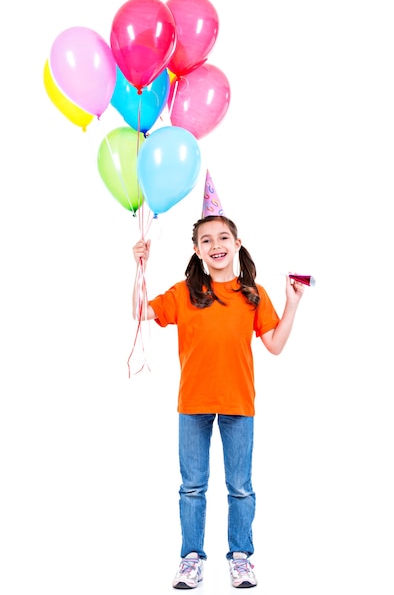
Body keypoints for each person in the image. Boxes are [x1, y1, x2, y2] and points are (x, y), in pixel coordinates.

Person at [132, 215, 306, 589]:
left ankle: (240, 557)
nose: (216, 245)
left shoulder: (252, 294)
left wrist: (292, 304)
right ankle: (191, 558)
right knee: (192, 486)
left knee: (240, 486)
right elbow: (139, 311)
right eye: (206, 240)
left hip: (238, 403)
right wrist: (139, 269)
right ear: (197, 250)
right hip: (193, 403)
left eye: (223, 237)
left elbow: (274, 345)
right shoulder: (184, 293)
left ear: (238, 243)